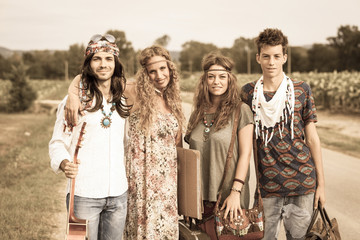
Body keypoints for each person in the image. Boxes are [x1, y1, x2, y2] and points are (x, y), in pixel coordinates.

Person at [66, 45, 185, 239]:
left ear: (170, 68)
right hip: (141, 181)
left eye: (163, 69)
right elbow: (95, 77)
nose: (159, 75)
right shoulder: (133, 91)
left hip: (167, 188)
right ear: (145, 74)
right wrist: (72, 94)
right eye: (152, 71)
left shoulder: (173, 99)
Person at [241, 28, 326, 240]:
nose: (271, 62)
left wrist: (321, 185)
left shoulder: (300, 90)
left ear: (284, 58)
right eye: (266, 56)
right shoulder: (248, 93)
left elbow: (313, 139)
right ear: (258, 57)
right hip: (267, 186)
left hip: (302, 183)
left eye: (277, 56)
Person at [49, 34, 130, 240]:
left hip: (118, 195)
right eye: (97, 59)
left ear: (116, 63)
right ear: (89, 63)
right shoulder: (74, 101)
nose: (103, 64)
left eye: (108, 59)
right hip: (83, 194)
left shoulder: (122, 98)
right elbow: (57, 142)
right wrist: (64, 163)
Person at [185, 52, 254, 239]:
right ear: (204, 80)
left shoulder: (241, 111)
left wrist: (235, 193)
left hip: (229, 200)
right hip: (199, 202)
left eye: (222, 76)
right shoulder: (197, 114)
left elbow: (246, 154)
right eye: (211, 76)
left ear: (230, 80)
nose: (217, 81)